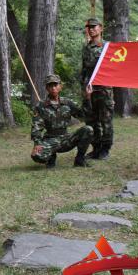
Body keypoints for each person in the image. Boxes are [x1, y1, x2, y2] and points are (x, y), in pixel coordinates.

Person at [30, 74, 93, 169]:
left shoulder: (67, 102)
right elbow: (36, 127)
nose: (53, 88)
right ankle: (51, 157)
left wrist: (87, 98)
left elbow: (82, 115)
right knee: (37, 155)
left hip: (66, 139)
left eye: (55, 85)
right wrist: (37, 143)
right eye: (50, 86)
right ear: (47, 88)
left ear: (60, 86)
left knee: (88, 129)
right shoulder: (41, 106)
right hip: (50, 139)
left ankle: (79, 159)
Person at [79, 17, 114, 159]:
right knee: (91, 120)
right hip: (90, 89)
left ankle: (105, 149)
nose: (91, 29)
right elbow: (84, 69)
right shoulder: (86, 48)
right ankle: (96, 147)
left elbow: (113, 68)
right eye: (89, 27)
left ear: (101, 28)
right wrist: (83, 86)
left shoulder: (108, 47)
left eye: (94, 26)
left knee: (105, 120)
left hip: (104, 89)